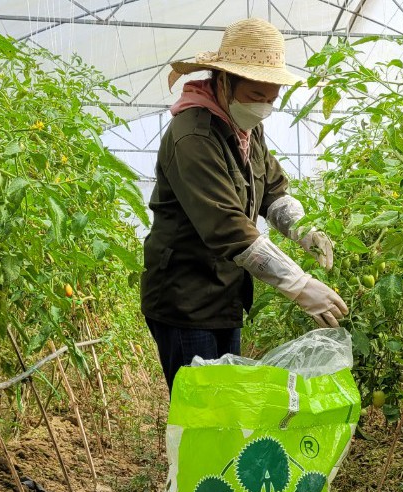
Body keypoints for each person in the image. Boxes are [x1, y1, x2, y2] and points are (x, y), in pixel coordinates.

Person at [141, 18, 348, 391]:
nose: (265, 107)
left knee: (228, 407)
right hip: (186, 299)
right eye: (256, 96)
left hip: (224, 295)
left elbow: (273, 190)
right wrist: (300, 286)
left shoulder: (245, 128)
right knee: (204, 411)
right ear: (224, 82)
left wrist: (305, 230)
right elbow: (227, 227)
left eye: (271, 98)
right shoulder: (193, 136)